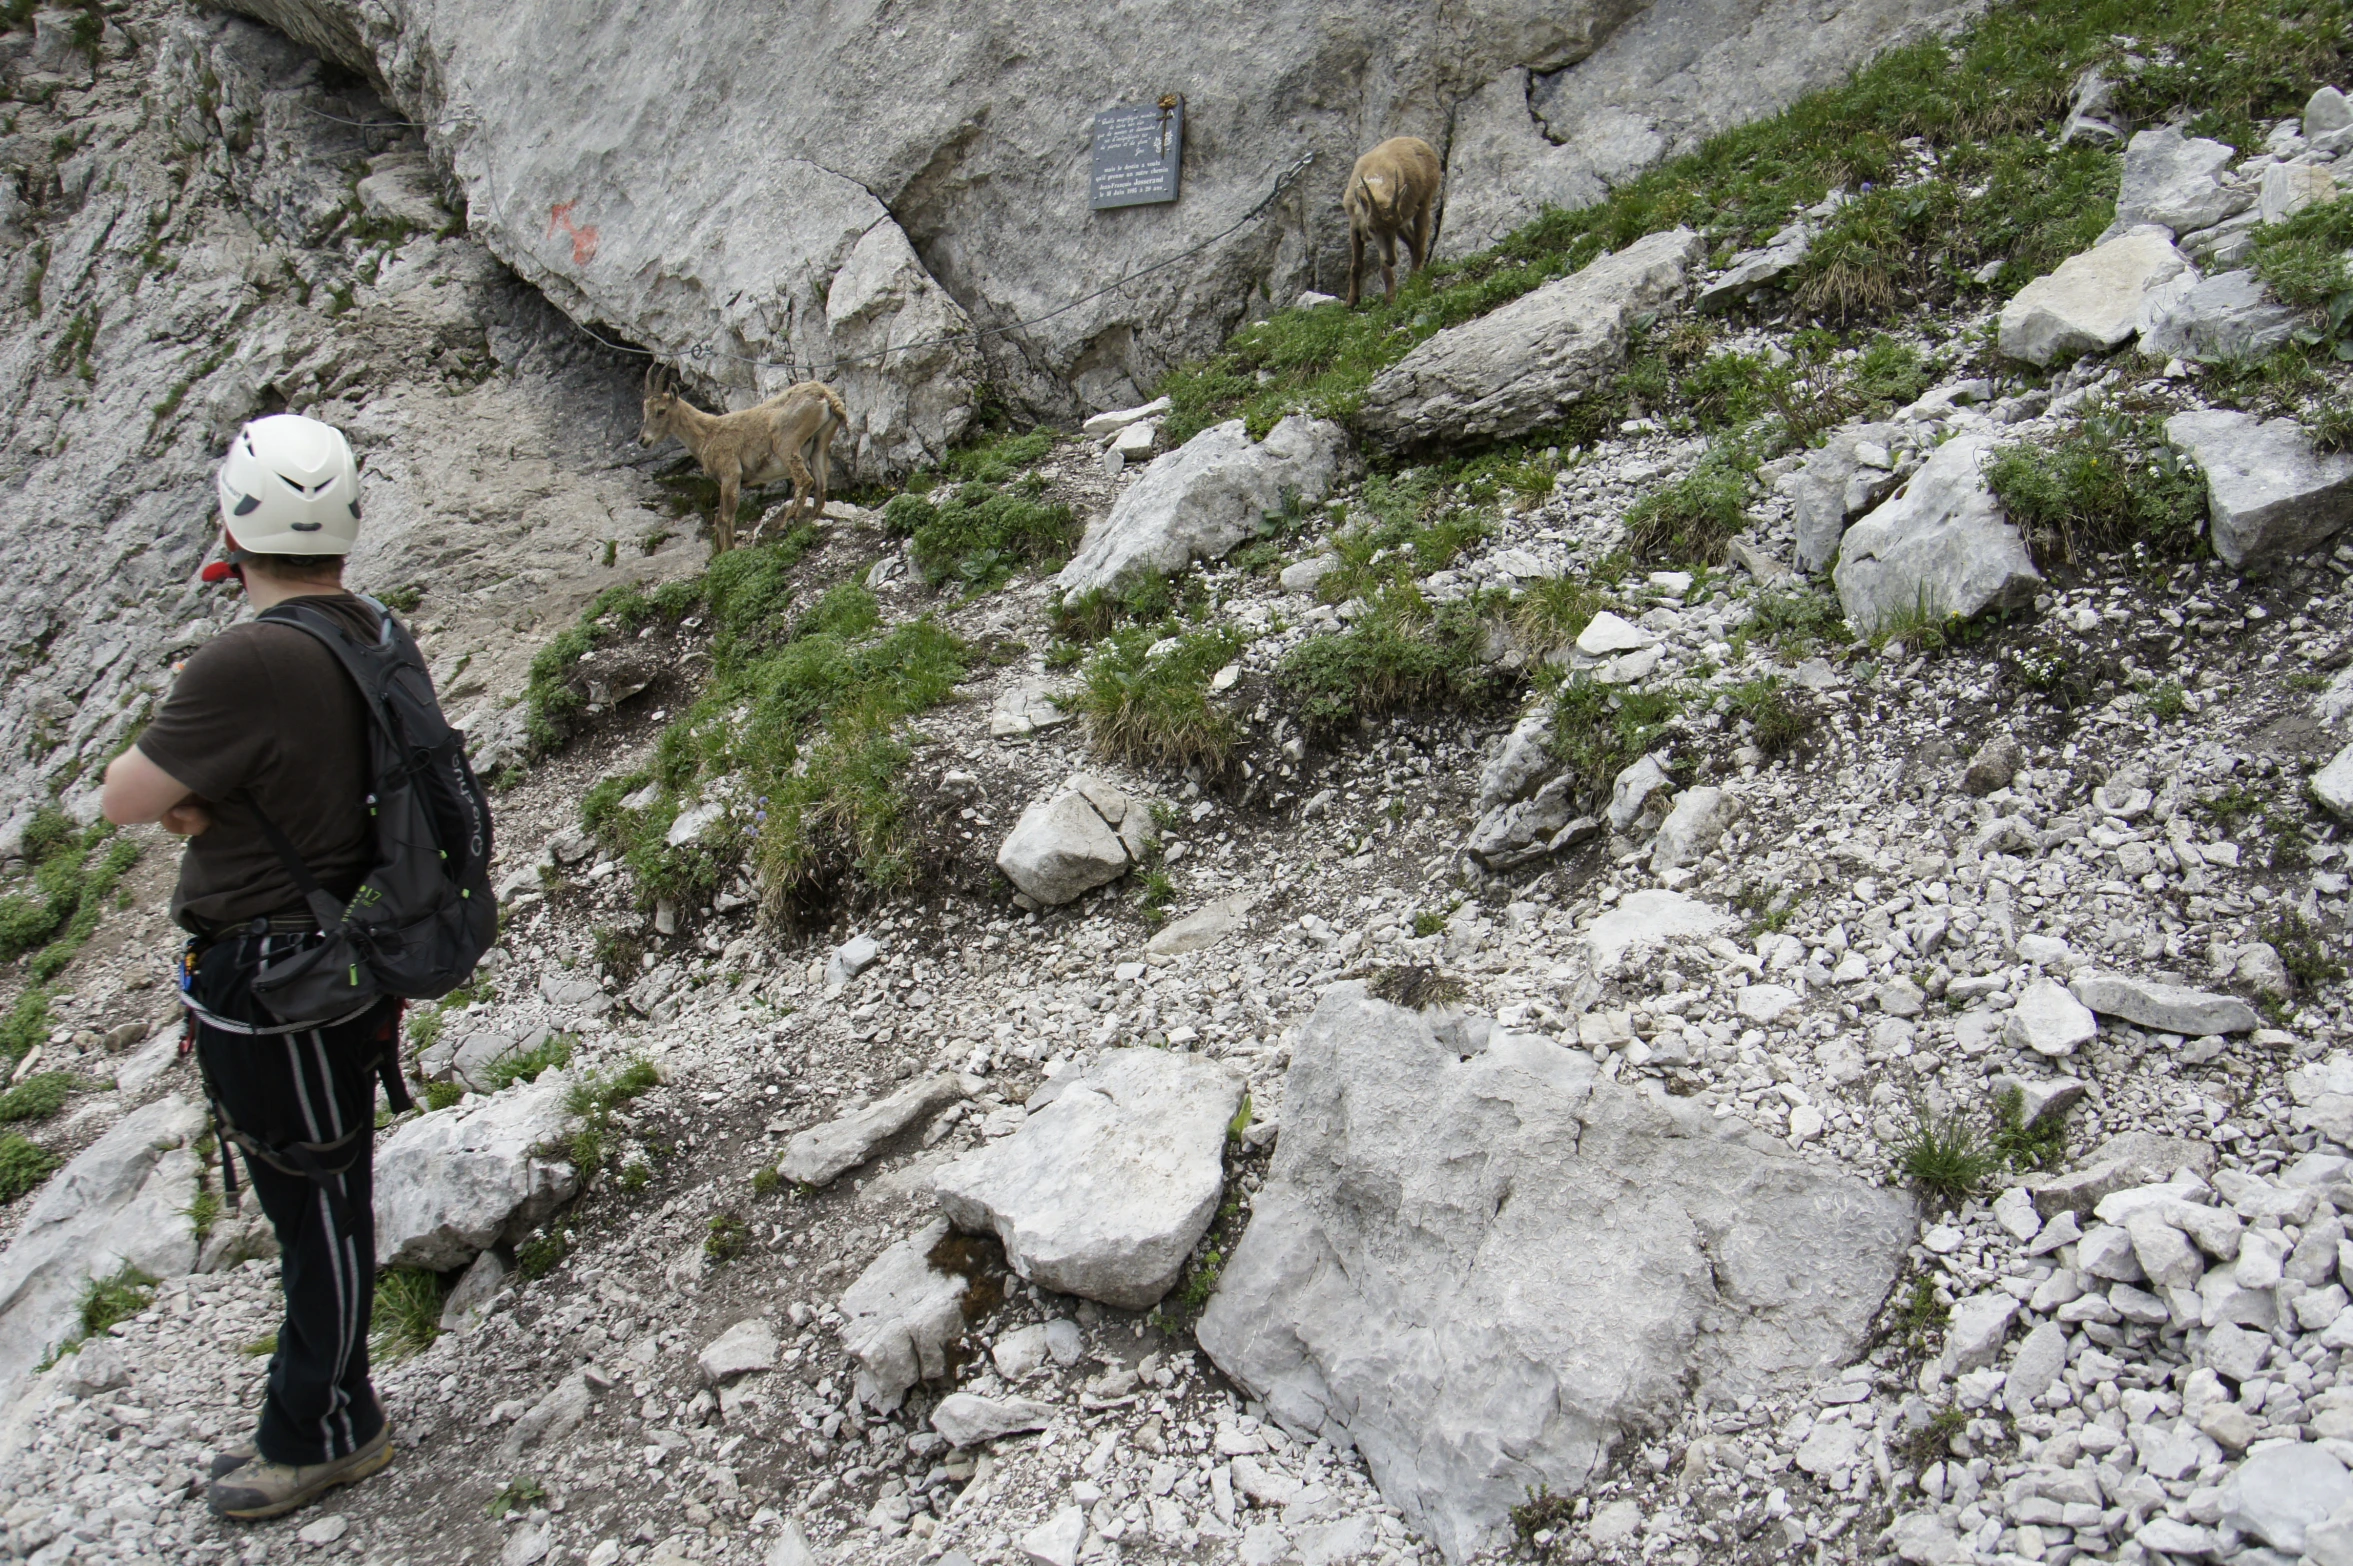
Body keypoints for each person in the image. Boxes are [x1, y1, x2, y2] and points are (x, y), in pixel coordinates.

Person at [101, 414, 401, 1520]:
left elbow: (123, 796)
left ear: (237, 521)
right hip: (339, 956)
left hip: (271, 977)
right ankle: (324, 1408)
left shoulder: (245, 657)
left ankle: (324, 1428)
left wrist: (191, 785)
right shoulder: (366, 627)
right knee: (327, 1187)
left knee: (314, 1201)